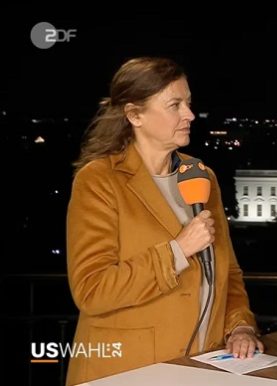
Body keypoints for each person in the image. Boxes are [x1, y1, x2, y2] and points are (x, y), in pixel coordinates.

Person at [66, 57, 261, 385]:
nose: (189, 114)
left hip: (204, 369)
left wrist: (239, 325)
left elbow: (229, 275)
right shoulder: (98, 181)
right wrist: (177, 251)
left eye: (188, 103)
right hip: (125, 371)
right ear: (134, 114)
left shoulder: (202, 177)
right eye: (175, 105)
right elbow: (92, 290)